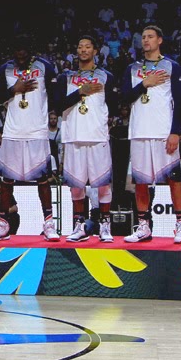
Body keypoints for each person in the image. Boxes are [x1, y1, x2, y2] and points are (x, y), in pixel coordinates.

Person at [121, 24, 181, 243]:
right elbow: (124, 98)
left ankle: (180, 226)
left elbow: (180, 101)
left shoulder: (172, 66)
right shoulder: (132, 67)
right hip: (139, 131)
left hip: (163, 131)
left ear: (160, 40)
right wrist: (144, 84)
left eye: (150, 37)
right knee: (140, 181)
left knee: (173, 179)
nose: (145, 40)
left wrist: (175, 132)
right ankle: (143, 226)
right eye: (143, 37)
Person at [0, 41, 60, 241]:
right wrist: (15, 89)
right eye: (17, 52)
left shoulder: (44, 67)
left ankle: (48, 223)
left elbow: (55, 97)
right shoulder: (5, 69)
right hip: (12, 131)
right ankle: (3, 223)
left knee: (43, 180)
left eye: (24, 52)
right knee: (6, 181)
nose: (20, 55)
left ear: (30, 51)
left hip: (37, 131)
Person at [57, 36, 119, 242]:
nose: (83, 50)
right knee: (76, 185)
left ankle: (105, 225)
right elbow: (57, 106)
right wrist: (80, 92)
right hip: (73, 136)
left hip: (97, 135)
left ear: (95, 51)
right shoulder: (66, 77)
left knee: (102, 184)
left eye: (87, 47)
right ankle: (80, 224)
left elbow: (114, 106)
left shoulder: (106, 76)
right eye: (80, 46)